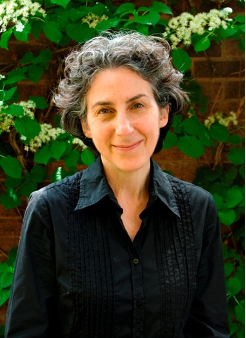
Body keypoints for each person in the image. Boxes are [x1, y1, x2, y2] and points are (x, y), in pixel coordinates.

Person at [5, 32, 230, 338]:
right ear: (86, 124)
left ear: (163, 112)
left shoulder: (197, 208)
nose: (124, 129)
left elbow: (209, 330)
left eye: (137, 106)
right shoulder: (50, 209)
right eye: (105, 110)